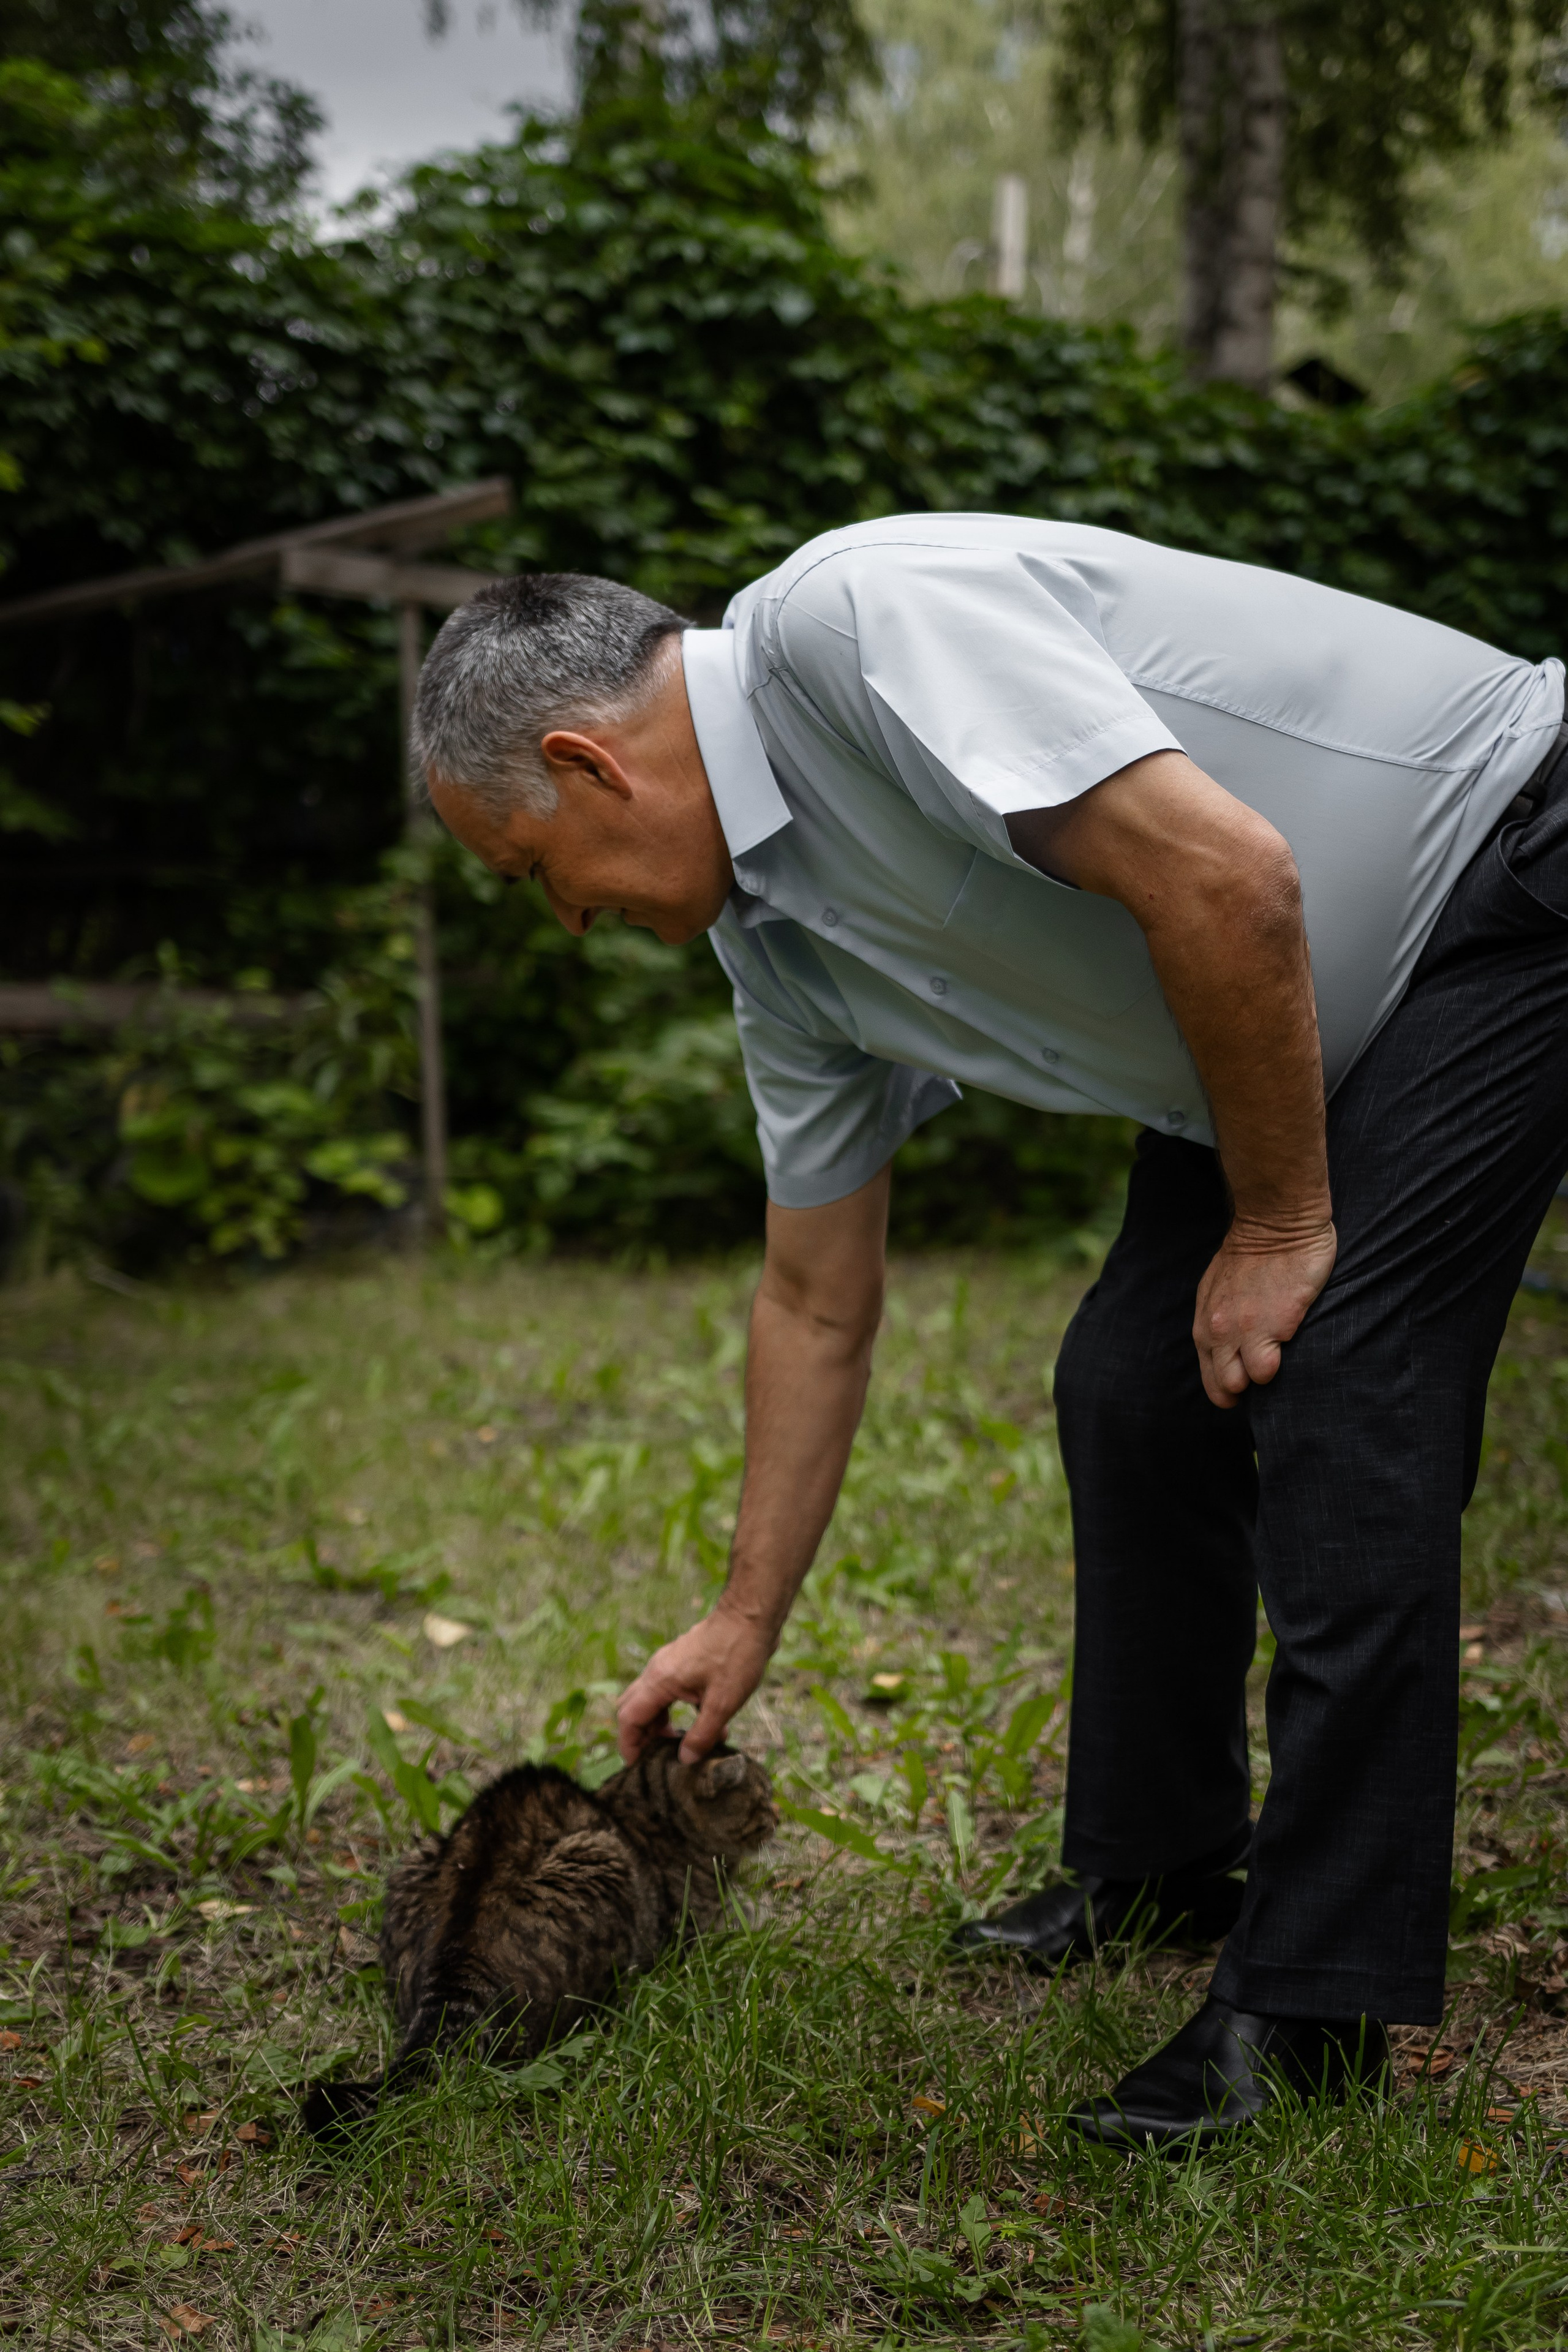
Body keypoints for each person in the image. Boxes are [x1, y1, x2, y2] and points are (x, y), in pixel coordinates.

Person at [411, 515, 1568, 2152]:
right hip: (1262, 999)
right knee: (1129, 1380)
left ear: (586, 762)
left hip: (1502, 878)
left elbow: (1227, 871)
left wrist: (1283, 1224)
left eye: (535, 872)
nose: (567, 920)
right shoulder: (780, 947)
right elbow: (816, 1295)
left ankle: (1313, 2005)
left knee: (1345, 1373)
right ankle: (1162, 1860)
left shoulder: (859, 627)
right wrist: (745, 1616)